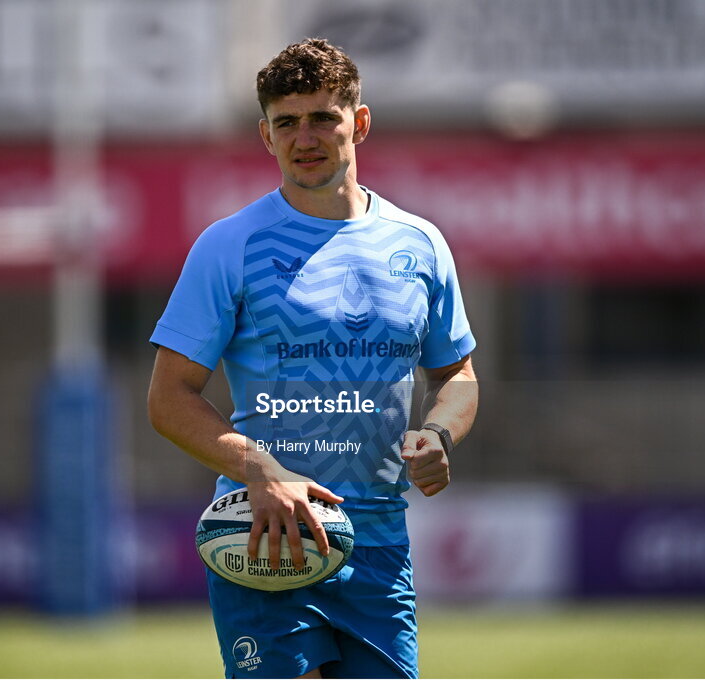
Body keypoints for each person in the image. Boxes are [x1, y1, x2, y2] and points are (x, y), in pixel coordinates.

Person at [148, 38, 478, 679]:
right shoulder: (228, 247)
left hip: (379, 545)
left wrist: (438, 433)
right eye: (286, 122)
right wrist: (260, 471)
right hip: (263, 542)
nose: (306, 136)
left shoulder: (421, 244)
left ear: (358, 121)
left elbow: (456, 375)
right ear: (266, 136)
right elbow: (168, 399)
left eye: (322, 117)